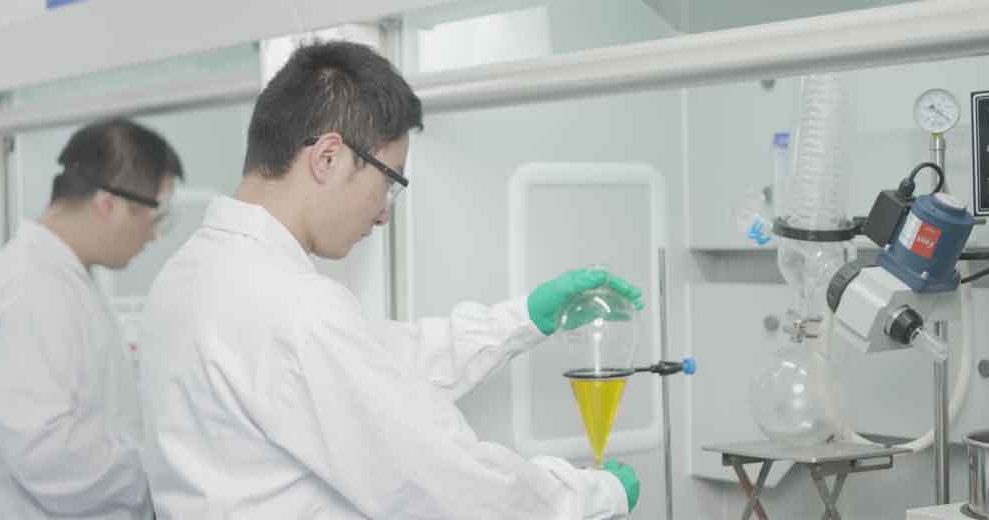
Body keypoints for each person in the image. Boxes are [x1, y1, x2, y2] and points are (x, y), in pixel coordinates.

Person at [138, 40, 641, 519]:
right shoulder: (291, 308)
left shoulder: (189, 274)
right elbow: (451, 485)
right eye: (390, 181)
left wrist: (522, 319)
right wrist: (593, 494)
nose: (383, 213)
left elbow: (379, 368)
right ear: (328, 157)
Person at [0, 118, 183, 519]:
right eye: (156, 214)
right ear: (108, 204)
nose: (153, 235)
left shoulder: (64, 278)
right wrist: (155, 469)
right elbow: (46, 455)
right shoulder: (32, 288)